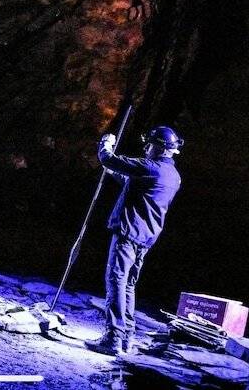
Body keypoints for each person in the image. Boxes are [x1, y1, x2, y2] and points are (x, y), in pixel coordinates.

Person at [85, 126, 183, 355]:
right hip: (147, 237)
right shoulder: (172, 175)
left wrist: (106, 144)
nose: (146, 148)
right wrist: (113, 172)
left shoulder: (150, 166)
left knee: (116, 280)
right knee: (128, 284)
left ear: (159, 147)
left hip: (129, 233)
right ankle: (126, 337)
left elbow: (108, 158)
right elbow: (139, 183)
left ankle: (113, 338)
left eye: (149, 144)